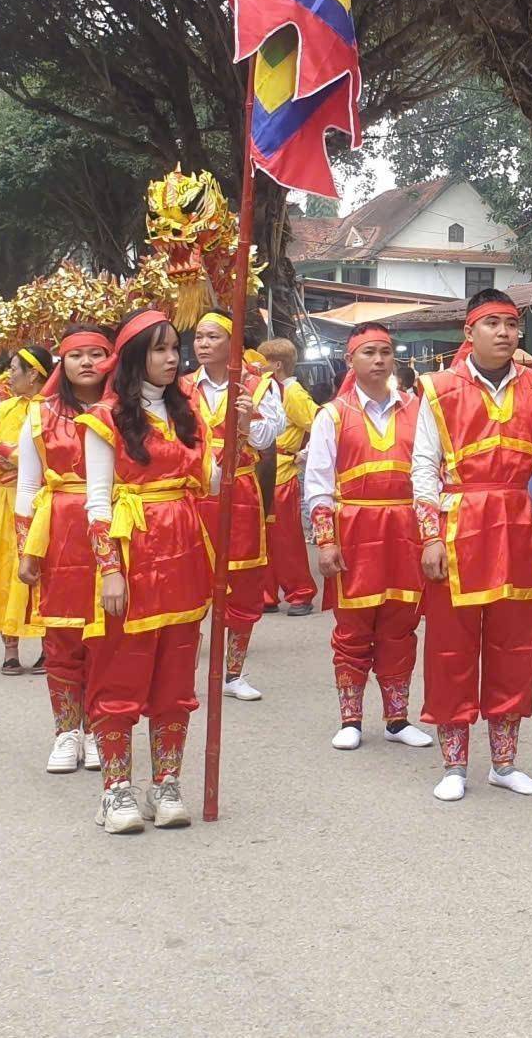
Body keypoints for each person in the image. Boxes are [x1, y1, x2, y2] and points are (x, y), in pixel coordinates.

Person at [410, 286, 532, 801]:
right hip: (456, 526)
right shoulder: (438, 388)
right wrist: (429, 537)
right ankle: (454, 764)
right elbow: (423, 468)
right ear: (470, 332)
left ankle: (505, 762)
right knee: (452, 647)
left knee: (513, 646)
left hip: (514, 526)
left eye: (512, 324)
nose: (505, 333)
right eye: (493, 323)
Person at [79, 311, 217, 832]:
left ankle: (167, 783)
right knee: (121, 670)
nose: (171, 358)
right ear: (136, 357)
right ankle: (116, 789)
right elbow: (96, 503)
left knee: (175, 673)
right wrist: (109, 571)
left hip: (183, 551)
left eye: (174, 349)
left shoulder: (190, 414)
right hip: (132, 553)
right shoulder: (105, 417)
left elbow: (213, 484)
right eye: (159, 350)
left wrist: (241, 434)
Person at [300, 320, 432, 752]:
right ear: (350, 360)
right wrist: (325, 540)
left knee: (401, 625)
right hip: (354, 531)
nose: (378, 360)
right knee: (353, 628)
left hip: (405, 531)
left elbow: (434, 474)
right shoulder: (332, 415)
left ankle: (397, 718)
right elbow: (317, 483)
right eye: (369, 352)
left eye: (386, 352)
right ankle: (351, 718)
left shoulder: (418, 409)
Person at [16, 325, 114, 775]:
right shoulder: (38, 415)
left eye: (98, 354)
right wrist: (25, 550)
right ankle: (66, 731)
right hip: (59, 529)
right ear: (63, 362)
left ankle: (98, 728)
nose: (88, 363)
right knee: (62, 635)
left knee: (106, 636)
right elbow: (26, 486)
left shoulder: (126, 411)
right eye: (78, 355)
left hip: (117, 526)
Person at [187, 310, 282, 698]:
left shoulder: (258, 386)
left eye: (212, 337)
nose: (203, 344)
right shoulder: (181, 386)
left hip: (239, 492)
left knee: (242, 582)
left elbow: (267, 437)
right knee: (189, 583)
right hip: (192, 495)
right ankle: (182, 671)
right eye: (198, 337)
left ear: (232, 342)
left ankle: (233, 674)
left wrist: (246, 425)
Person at [0, 346, 51, 675]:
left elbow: (56, 455)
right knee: (6, 568)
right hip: (7, 501)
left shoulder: (54, 409)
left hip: (44, 503)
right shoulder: (6, 409)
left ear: (33, 374)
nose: (9, 376)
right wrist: (2, 461)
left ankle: (50, 646)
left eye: (14, 369)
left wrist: (14, 458)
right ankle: (10, 649)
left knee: (45, 570)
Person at [257, 337, 322, 614]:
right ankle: (267, 593)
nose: (257, 368)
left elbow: (320, 422)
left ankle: (300, 592)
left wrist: (304, 454)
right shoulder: (270, 389)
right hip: (264, 468)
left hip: (283, 472)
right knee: (264, 537)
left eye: (262, 363)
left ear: (277, 365)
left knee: (286, 539)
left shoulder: (293, 393)